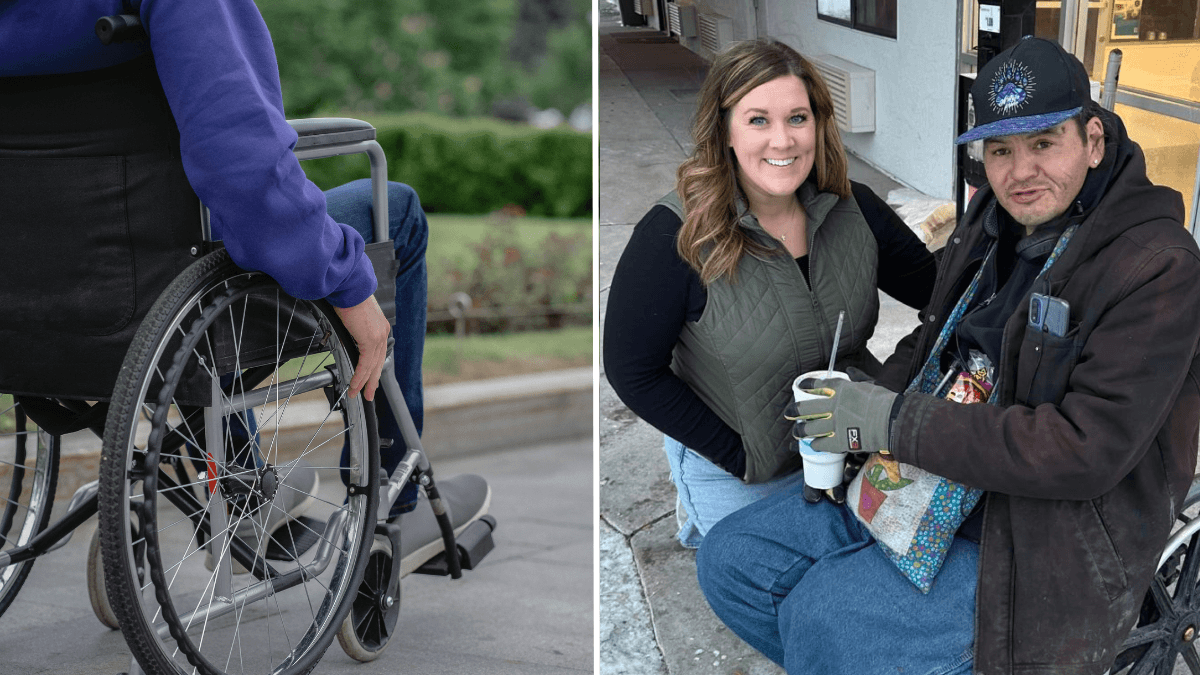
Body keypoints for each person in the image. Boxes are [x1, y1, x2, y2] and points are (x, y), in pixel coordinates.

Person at [697, 37, 1200, 674]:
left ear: (1093, 140)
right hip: (929, 467)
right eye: (1000, 150)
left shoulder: (1156, 267)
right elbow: (935, 333)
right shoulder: (994, 215)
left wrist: (891, 421)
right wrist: (863, 403)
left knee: (827, 621)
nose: (1021, 172)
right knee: (734, 560)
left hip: (1035, 527)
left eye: (1044, 143)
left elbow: (1084, 451)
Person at [0, 0, 473, 529]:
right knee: (397, 208)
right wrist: (347, 278)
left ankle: (243, 481)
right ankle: (394, 499)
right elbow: (246, 171)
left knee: (188, 251)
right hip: (159, 298)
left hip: (27, 310)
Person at [603, 38, 937, 548]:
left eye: (797, 118)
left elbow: (940, 295)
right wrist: (738, 455)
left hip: (846, 445)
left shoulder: (856, 210)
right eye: (758, 120)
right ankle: (694, 501)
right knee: (772, 593)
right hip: (741, 470)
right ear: (725, 130)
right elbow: (631, 370)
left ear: (819, 123)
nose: (783, 141)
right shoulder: (674, 236)